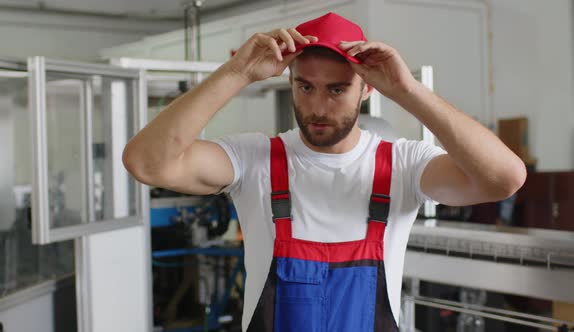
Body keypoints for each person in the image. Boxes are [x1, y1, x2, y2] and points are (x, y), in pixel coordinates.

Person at [123, 12, 526, 332]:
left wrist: (407, 91)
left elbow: (504, 178)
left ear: (367, 88)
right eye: (305, 87)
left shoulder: (403, 164)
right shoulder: (253, 159)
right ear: (290, 80)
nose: (318, 107)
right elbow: (145, 162)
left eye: (336, 90)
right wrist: (237, 74)